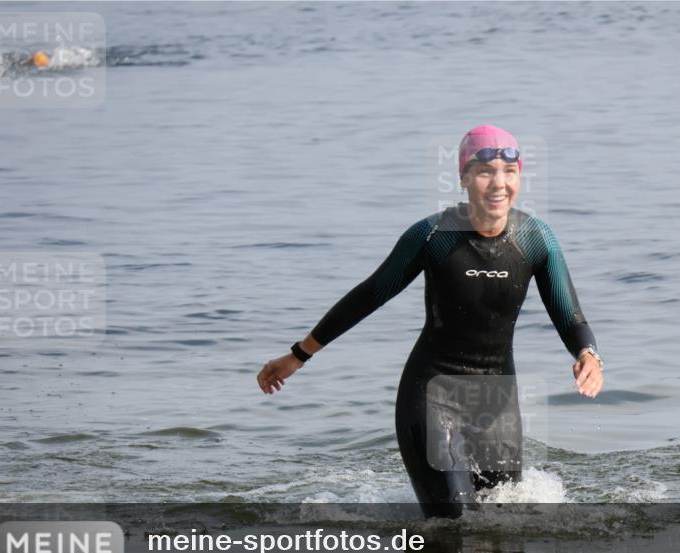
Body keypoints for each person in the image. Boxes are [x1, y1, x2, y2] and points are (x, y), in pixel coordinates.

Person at [257, 125, 603, 518]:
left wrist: (588, 354)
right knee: (456, 523)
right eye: (485, 171)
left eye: (510, 173)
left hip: (496, 400)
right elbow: (371, 294)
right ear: (464, 177)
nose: (499, 184)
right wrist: (299, 355)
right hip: (433, 392)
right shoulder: (432, 236)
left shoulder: (536, 239)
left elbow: (570, 315)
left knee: (505, 532)